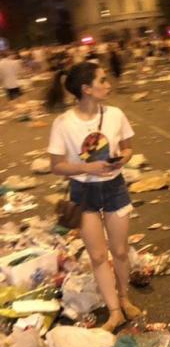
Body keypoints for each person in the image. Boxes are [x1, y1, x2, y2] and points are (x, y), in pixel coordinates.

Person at [48, 61, 141, 332]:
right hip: (83, 192)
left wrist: (120, 160)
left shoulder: (115, 114)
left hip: (114, 187)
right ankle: (114, 312)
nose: (108, 84)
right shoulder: (63, 123)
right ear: (86, 89)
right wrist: (87, 167)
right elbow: (56, 165)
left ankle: (124, 298)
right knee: (98, 256)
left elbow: (128, 148)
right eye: (102, 80)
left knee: (120, 251)